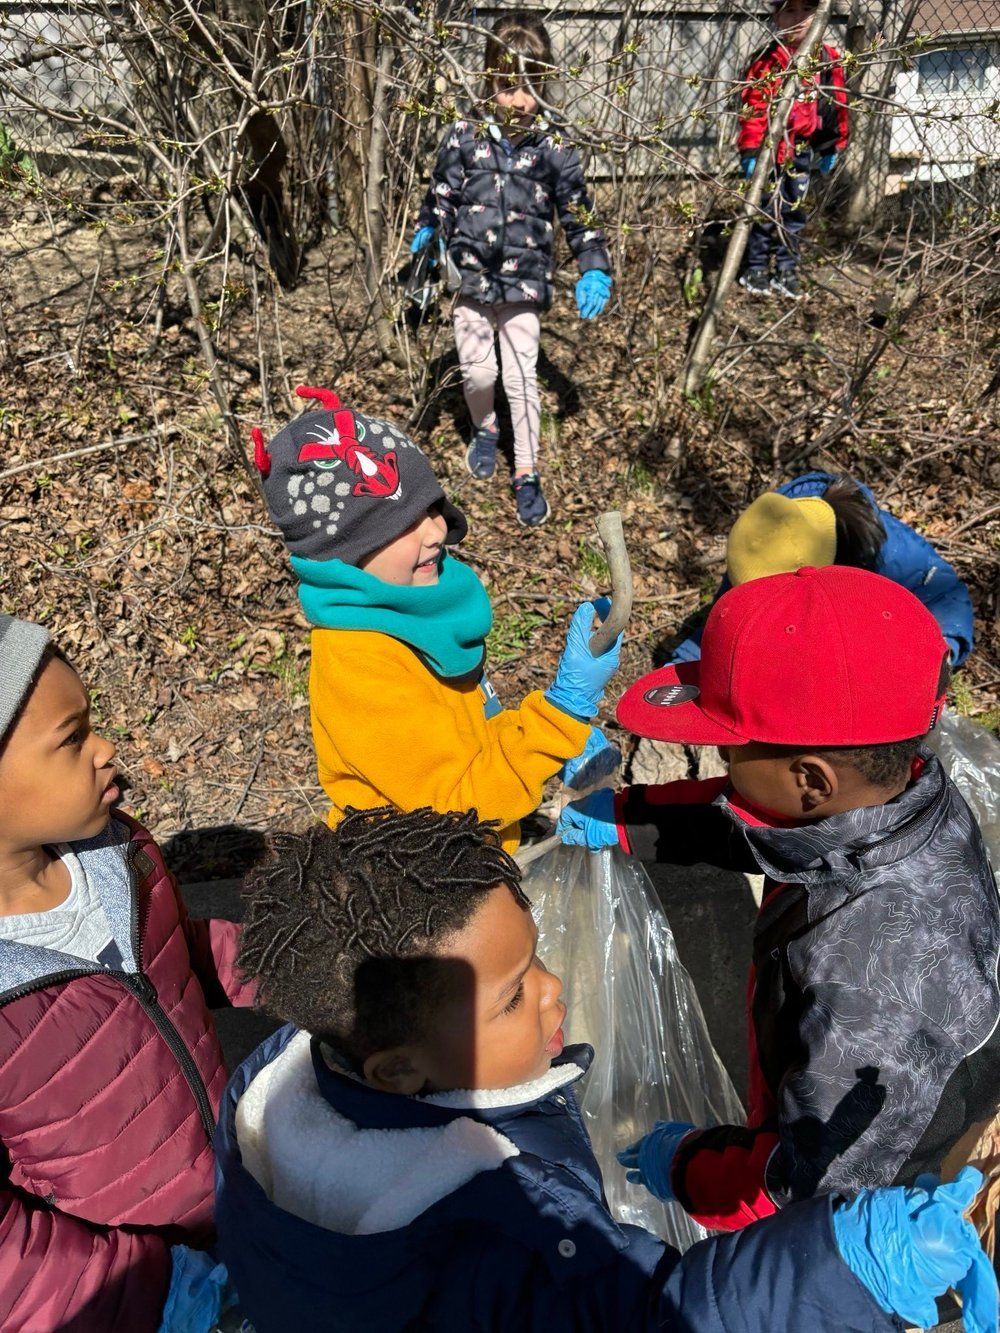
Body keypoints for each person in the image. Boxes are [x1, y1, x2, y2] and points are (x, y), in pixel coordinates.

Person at [214, 805, 996, 1333]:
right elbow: (646, 1315)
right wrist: (841, 1261)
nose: (554, 988)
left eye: (535, 958)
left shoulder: (272, 1101)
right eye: (513, 996)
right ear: (397, 1069)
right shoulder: (501, 1235)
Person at [558, 566, 1000, 1257]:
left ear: (812, 779)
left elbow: (805, 1182)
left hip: (879, 1193)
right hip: (845, 1083)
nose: (720, 759)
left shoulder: (869, 978)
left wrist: (691, 1163)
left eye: (730, 749)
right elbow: (770, 826)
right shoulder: (900, 802)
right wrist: (628, 818)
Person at [0, 615, 254, 1331]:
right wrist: (152, 1292)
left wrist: (288, 962)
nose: (107, 748)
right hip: (141, 1291)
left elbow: (176, 960)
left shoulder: (116, 854)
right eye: (73, 737)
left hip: (241, 1191)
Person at [251, 385, 620, 854]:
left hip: (472, 859)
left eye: (430, 508)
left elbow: (467, 741)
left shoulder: (414, 612)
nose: (437, 530)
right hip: (423, 879)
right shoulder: (361, 665)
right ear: (341, 553)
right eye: (402, 524)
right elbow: (453, 812)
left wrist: (550, 744)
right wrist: (559, 719)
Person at [411, 11, 613, 525]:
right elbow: (442, 194)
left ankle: (526, 469)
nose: (520, 101)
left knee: (522, 376)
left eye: (532, 87)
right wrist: (429, 229)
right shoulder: (464, 134)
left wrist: (594, 264)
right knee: (479, 373)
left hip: (524, 282)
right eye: (507, 87)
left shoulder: (555, 147)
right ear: (488, 81)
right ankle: (485, 428)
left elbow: (578, 212)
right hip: (471, 278)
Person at [673, 471, 975, 665]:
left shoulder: (883, 549)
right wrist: (681, 671)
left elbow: (947, 597)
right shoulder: (757, 546)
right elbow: (724, 628)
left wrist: (939, 654)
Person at [737, 0, 849, 299]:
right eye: (789, 10)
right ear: (776, 17)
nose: (799, 18)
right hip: (769, 150)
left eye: (806, 10)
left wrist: (831, 145)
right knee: (763, 210)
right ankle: (756, 266)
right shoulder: (769, 60)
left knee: (794, 211)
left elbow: (835, 105)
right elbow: (754, 108)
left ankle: (787, 268)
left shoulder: (827, 59)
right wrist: (750, 151)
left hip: (801, 150)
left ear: (820, 15)